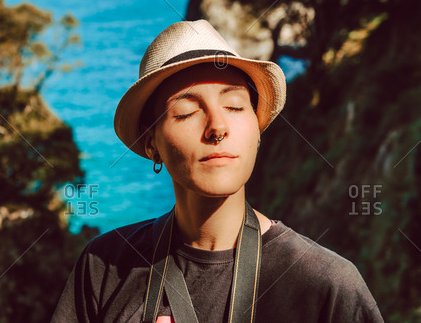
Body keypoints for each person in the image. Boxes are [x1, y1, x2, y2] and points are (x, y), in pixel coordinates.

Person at [51, 20, 384, 322]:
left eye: (235, 107)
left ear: (256, 130)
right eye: (185, 112)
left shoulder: (327, 286)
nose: (218, 127)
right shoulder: (105, 266)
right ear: (151, 144)